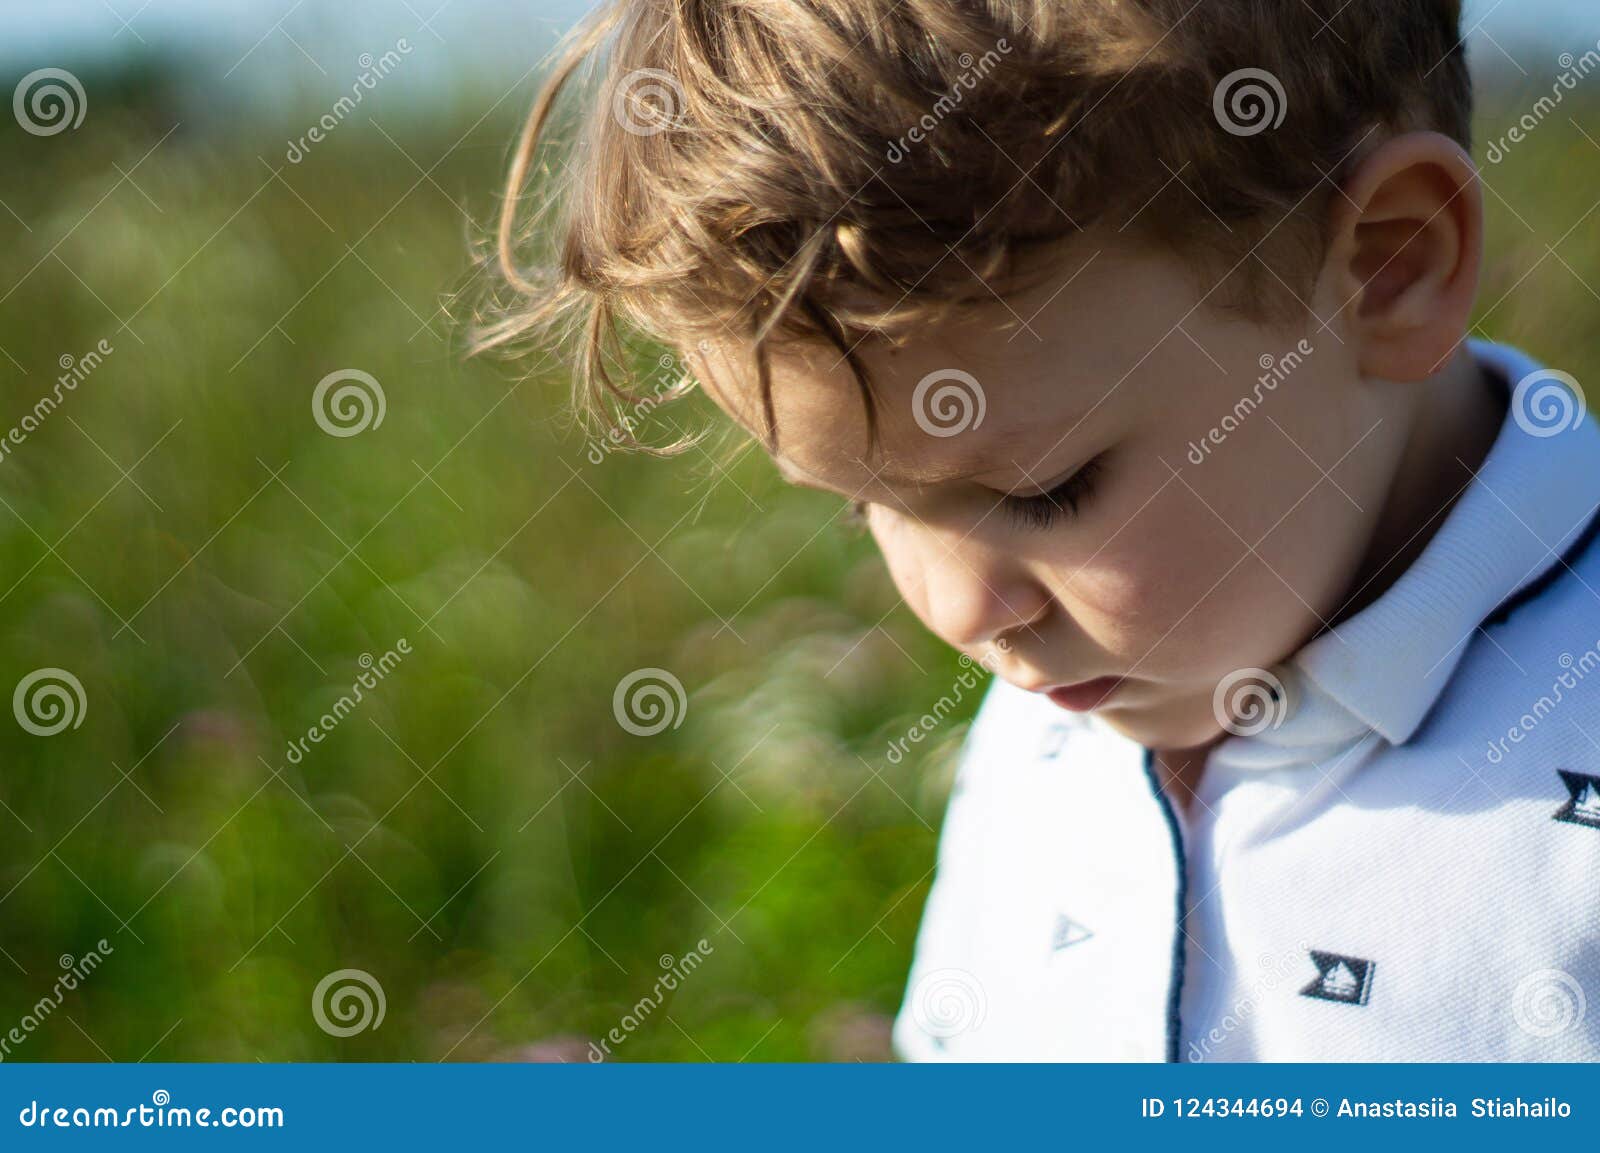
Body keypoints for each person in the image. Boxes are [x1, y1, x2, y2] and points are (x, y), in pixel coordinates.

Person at [480, 0, 1600, 1059]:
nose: (959, 611)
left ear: (1390, 268)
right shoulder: (1047, 737)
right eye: (867, 503)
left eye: (1044, 491)